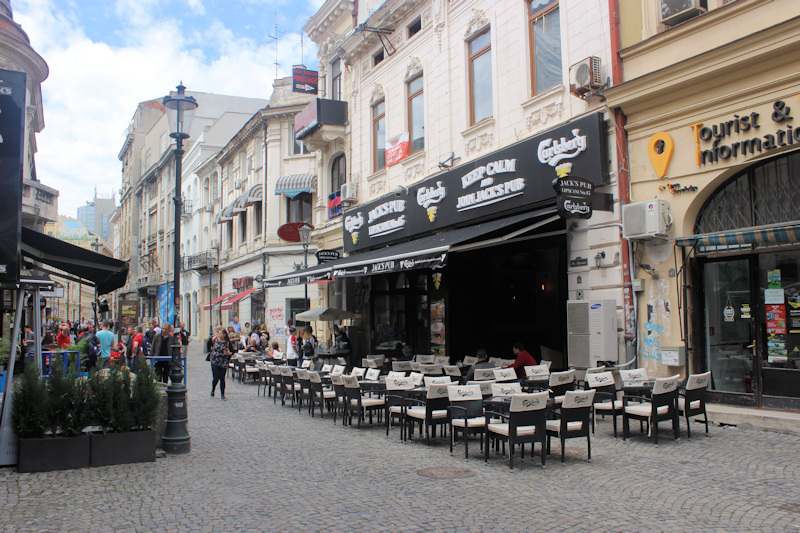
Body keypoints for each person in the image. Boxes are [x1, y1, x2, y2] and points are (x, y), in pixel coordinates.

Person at [209, 328, 232, 400]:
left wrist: (228, 353)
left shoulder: (227, 342)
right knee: (216, 377)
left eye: (220, 334)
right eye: (218, 333)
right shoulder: (215, 340)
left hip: (223, 361)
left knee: (222, 378)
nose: (219, 335)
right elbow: (208, 345)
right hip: (215, 360)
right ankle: (213, 389)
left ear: (224, 335)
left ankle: (222, 394)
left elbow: (233, 351)